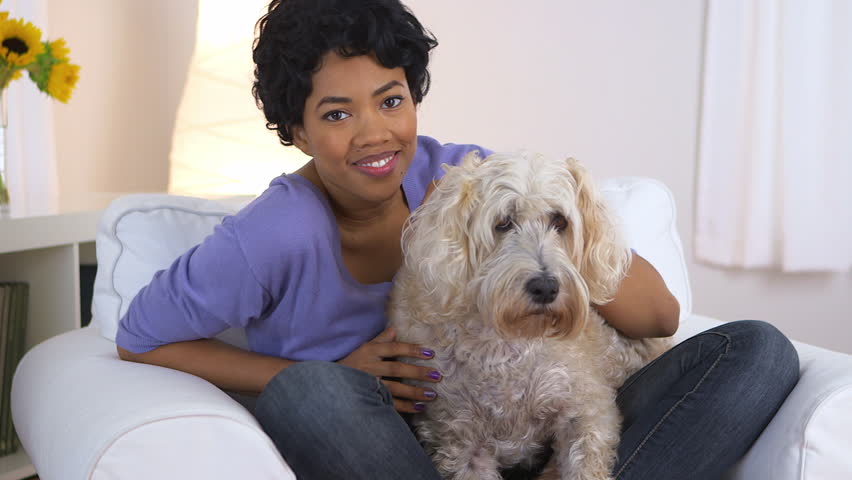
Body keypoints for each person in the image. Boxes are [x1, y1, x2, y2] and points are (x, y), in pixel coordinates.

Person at [116, 0, 800, 478]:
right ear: (295, 130)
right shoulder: (272, 234)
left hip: (549, 408)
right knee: (307, 397)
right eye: (336, 113)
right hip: (395, 444)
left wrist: (565, 232)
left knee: (759, 351)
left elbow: (660, 317)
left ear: (414, 96)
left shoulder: (467, 177)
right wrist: (321, 373)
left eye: (391, 99)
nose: (374, 133)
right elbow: (140, 336)